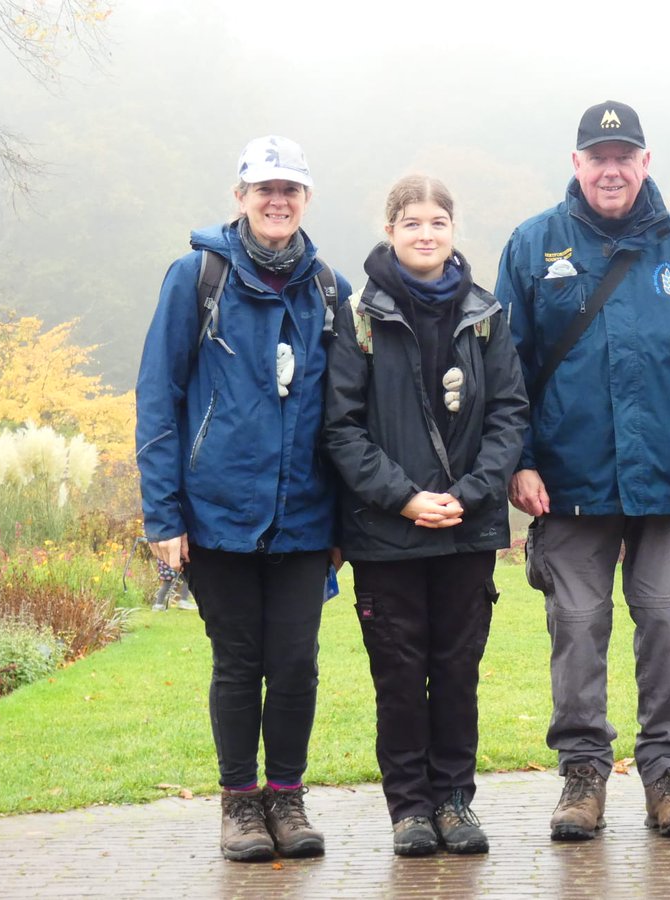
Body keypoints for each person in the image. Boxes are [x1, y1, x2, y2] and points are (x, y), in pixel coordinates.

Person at [496, 101, 670, 841]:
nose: (611, 168)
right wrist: (521, 461)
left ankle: (668, 775)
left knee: (667, 624)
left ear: (645, 160)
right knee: (576, 627)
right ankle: (582, 776)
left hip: (666, 480)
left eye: (623, 155)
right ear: (576, 164)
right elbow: (505, 370)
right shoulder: (533, 245)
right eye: (597, 156)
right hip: (568, 485)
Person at [135, 135, 352, 862]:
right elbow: (158, 399)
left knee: (295, 662)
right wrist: (163, 515)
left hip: (305, 517)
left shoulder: (329, 289)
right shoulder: (196, 277)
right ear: (241, 197)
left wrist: (347, 520)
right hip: (217, 515)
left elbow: (348, 416)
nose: (277, 201)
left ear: (306, 200)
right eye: (265, 189)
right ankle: (238, 805)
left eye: (290, 189)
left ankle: (286, 802)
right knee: (238, 661)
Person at [324, 175, 527, 856]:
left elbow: (509, 413)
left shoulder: (486, 314)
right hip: (387, 536)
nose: (425, 232)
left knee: (459, 674)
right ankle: (409, 809)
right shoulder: (359, 317)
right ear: (390, 231)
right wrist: (405, 496)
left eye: (438, 221)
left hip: (466, 533)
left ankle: (454, 802)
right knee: (401, 679)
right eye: (411, 221)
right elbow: (342, 429)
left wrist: (470, 493)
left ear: (453, 230)